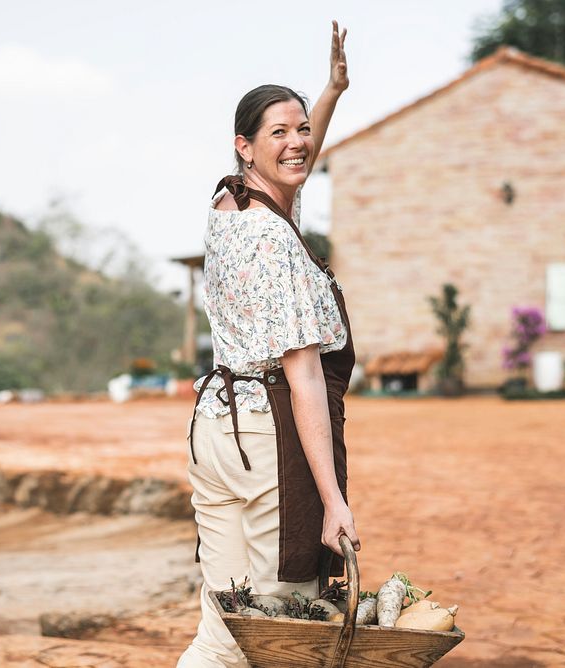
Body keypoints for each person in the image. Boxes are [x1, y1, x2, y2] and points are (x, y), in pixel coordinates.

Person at [178, 21, 360, 668]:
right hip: (268, 440)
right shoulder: (276, 243)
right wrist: (334, 502)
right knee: (289, 626)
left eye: (302, 129)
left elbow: (295, 168)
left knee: (225, 632)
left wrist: (331, 92)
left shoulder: (230, 202)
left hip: (215, 430)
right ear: (244, 146)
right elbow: (305, 377)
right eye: (278, 133)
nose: (297, 143)